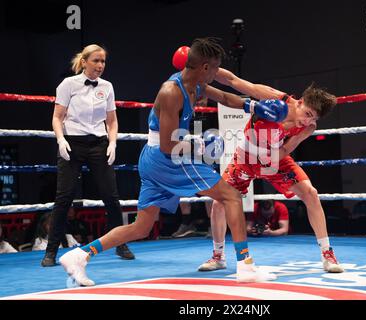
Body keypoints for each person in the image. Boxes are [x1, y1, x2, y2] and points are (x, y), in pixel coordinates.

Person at [58, 37, 285, 286]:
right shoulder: (171, 92)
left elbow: (224, 97)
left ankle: (79, 255)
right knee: (230, 195)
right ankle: (245, 266)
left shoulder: (195, 84)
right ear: (205, 67)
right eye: (216, 68)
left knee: (141, 227)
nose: (218, 73)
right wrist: (201, 145)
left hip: (158, 159)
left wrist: (254, 106)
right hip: (165, 158)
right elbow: (168, 145)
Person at [197, 66, 345, 273]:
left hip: (274, 159)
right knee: (219, 203)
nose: (309, 121)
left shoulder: (308, 127)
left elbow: (287, 148)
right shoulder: (275, 98)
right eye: (308, 113)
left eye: (314, 119)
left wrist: (271, 158)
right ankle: (218, 256)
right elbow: (233, 81)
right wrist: (203, 68)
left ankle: (327, 254)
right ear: (300, 102)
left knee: (311, 194)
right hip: (246, 156)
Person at [41, 44, 135, 267]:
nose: (100, 65)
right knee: (64, 197)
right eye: (96, 61)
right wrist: (60, 139)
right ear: (84, 62)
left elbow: (112, 120)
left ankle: (120, 244)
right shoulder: (68, 84)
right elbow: (57, 117)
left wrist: (113, 142)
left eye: (103, 61)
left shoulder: (107, 87)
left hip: (99, 144)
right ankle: (51, 251)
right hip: (72, 143)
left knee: (111, 196)